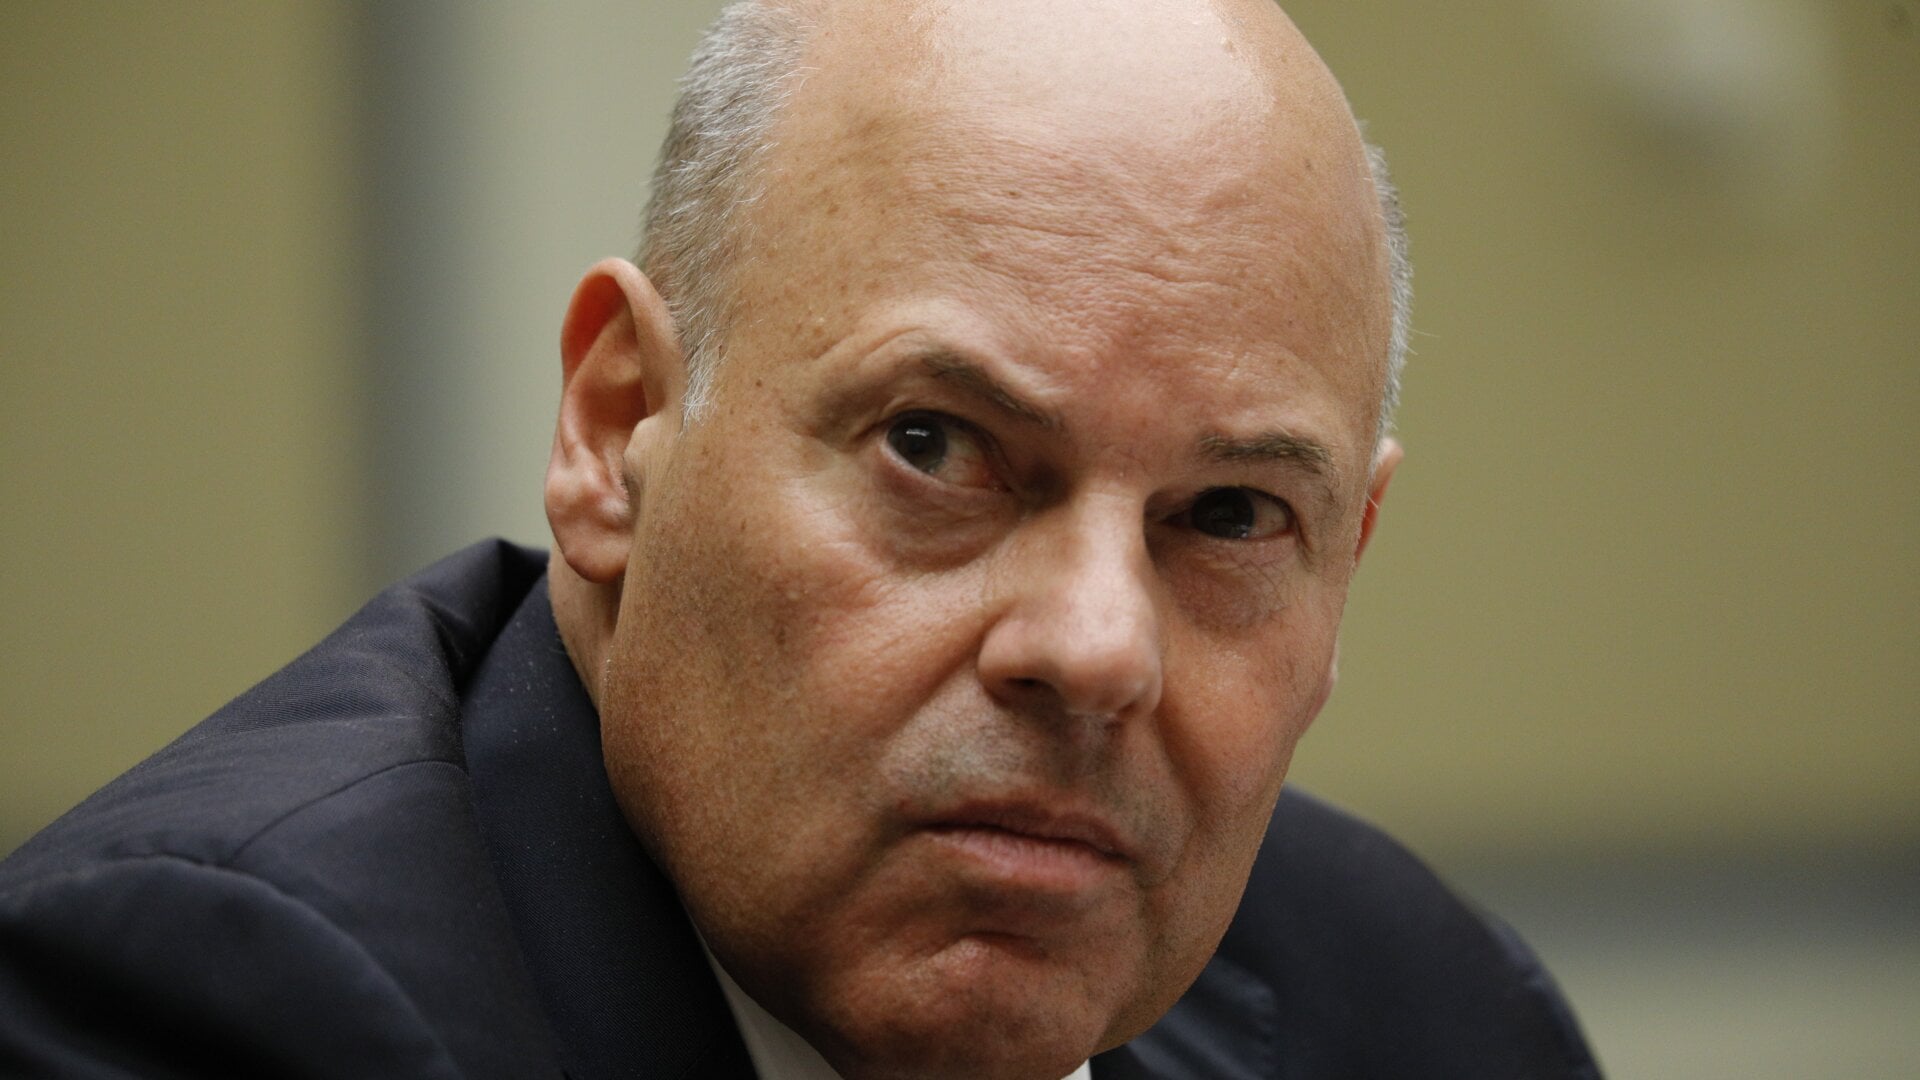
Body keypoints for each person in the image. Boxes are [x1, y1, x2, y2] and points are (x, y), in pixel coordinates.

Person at [0, 1, 1601, 1077]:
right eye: (936, 446)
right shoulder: (220, 1008)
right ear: (618, 427)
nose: (1096, 647)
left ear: (1347, 558)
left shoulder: (1423, 1017)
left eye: (1231, 516)